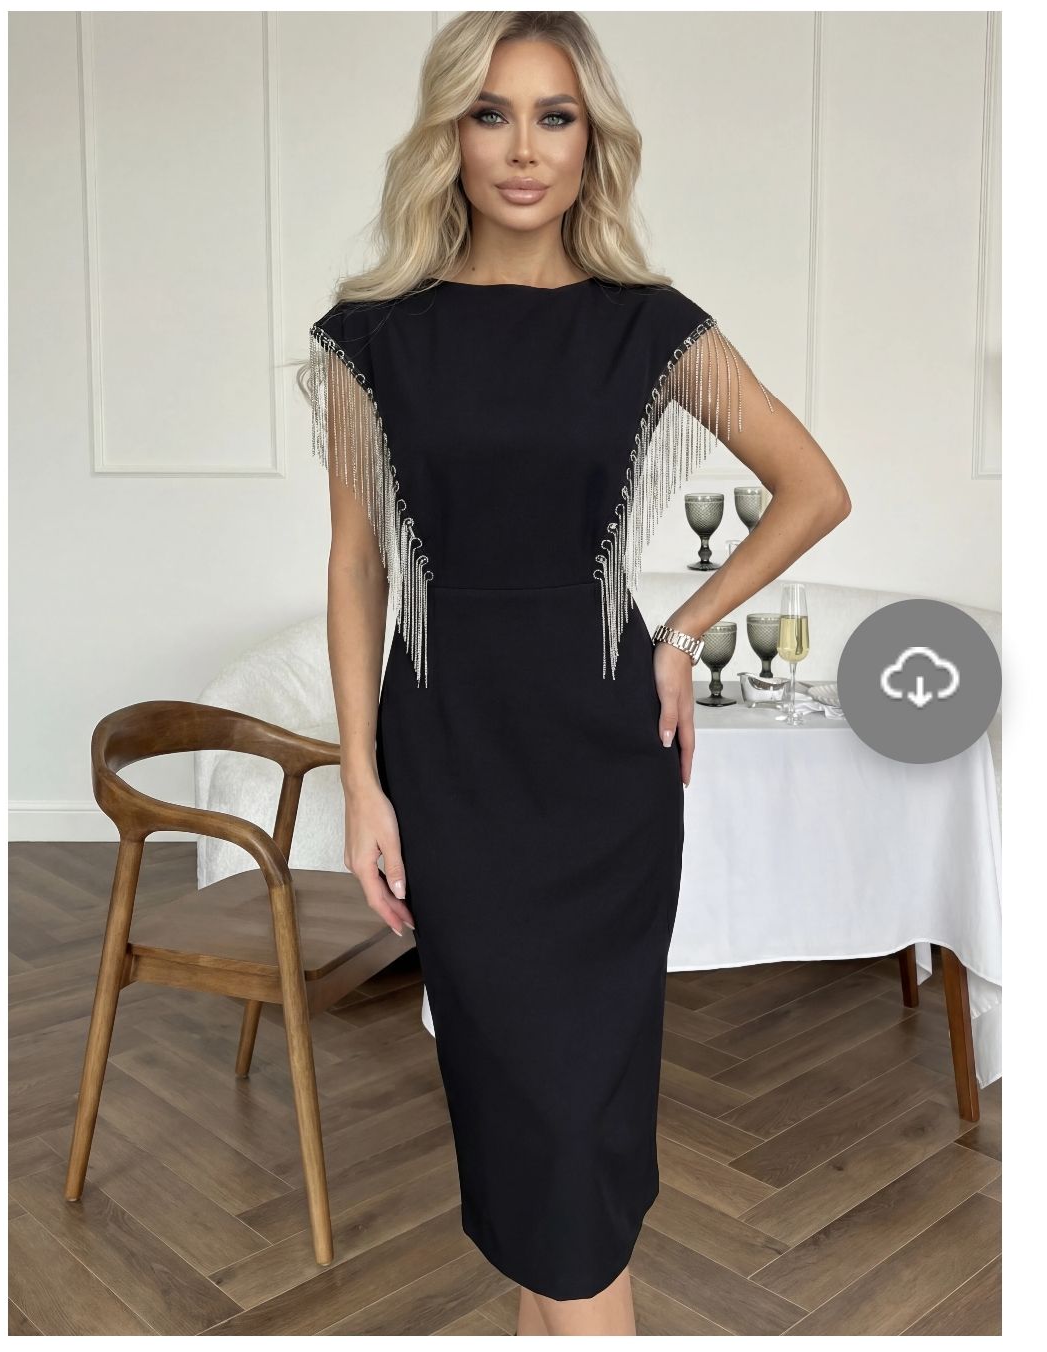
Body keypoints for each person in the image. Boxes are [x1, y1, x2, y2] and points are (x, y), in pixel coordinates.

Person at [296, 10, 850, 1337]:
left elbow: (814, 489)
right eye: (491, 115)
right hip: (452, 768)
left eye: (556, 117)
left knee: (574, 1136)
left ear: (593, 143)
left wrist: (681, 633)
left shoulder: (647, 328)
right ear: (449, 135)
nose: (524, 149)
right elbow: (358, 569)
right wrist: (363, 783)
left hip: (602, 778)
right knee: (520, 1125)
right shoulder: (372, 339)